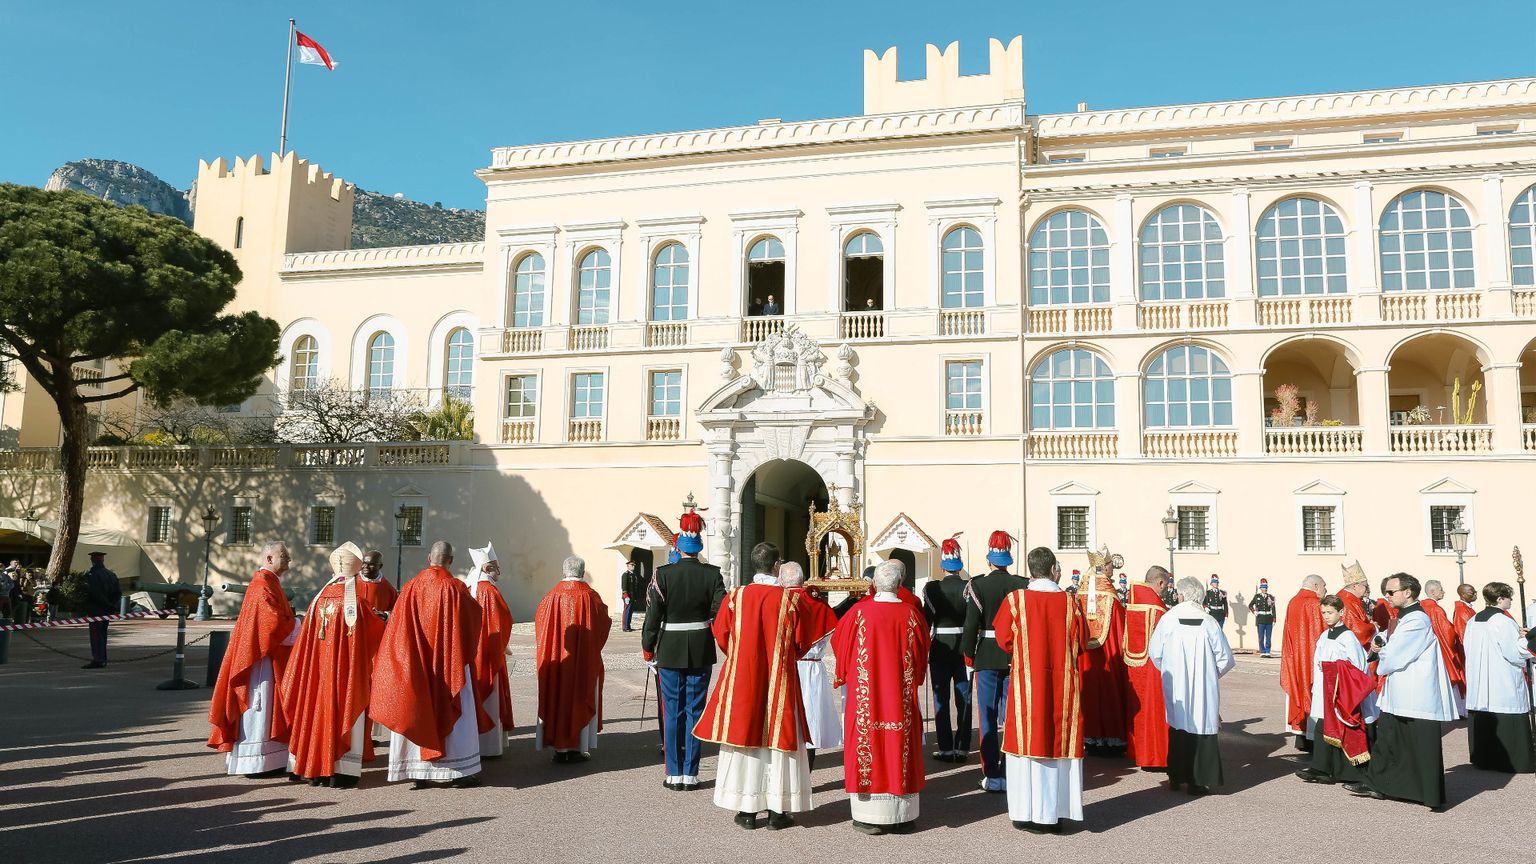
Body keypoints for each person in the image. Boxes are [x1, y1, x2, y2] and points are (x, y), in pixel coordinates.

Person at [696, 541, 831, 831]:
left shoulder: (736, 596)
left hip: (744, 678)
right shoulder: (789, 601)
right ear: (776, 566)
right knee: (778, 742)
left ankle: (746, 810)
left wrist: (742, 657)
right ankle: (777, 811)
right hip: (780, 679)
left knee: (745, 734)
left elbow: (721, 634)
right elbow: (801, 643)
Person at [371, 541, 485, 789]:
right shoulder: (456, 588)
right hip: (449, 664)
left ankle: (417, 771)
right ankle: (458, 771)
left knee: (415, 705)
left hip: (417, 663)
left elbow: (397, 629)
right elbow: (473, 621)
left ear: (428, 558)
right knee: (458, 711)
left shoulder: (410, 587)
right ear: (450, 561)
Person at [993, 547, 1087, 833]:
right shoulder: (1071, 602)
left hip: (1026, 684)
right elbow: (1083, 642)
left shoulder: (1016, 600)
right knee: (1057, 743)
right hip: (1062, 684)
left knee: (1025, 746)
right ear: (1054, 570)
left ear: (1030, 570)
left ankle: (1024, 812)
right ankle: (1054, 814)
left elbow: (1003, 639)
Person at [832, 559, 929, 835]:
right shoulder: (911, 615)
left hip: (866, 698)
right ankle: (902, 816)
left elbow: (840, 644)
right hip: (899, 698)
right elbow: (922, 652)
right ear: (899, 585)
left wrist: (845, 673)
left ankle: (869, 816)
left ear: (874, 584)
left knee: (867, 743)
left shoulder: (858, 613)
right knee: (900, 743)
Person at [279, 542, 387, 788]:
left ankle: (313, 768)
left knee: (314, 712)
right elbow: (373, 634)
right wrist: (386, 620)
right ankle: (341, 771)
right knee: (344, 710)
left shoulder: (318, 599)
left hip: (317, 673)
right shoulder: (354, 603)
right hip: (344, 674)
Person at [1345, 573, 1456, 808]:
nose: (1387, 595)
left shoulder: (1417, 620)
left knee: (1416, 742)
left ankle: (1424, 792)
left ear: (1408, 592)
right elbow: (1388, 641)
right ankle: (1380, 784)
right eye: (1386, 591)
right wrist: (1379, 643)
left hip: (1415, 691)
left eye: (1391, 591)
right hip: (1400, 690)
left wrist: (1383, 652)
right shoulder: (1403, 618)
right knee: (1391, 738)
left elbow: (1396, 654)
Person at [642, 503, 727, 792]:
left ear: (679, 545)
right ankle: (691, 773)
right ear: (699, 546)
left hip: (669, 648)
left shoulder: (663, 574)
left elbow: (652, 617)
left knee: (672, 710)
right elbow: (720, 612)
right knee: (695, 710)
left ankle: (674, 773)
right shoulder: (713, 574)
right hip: (701, 647)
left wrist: (648, 648)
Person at [208, 542, 298, 777]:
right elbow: (271, 623)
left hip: (267, 653)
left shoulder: (270, 582)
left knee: (268, 706)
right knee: (260, 704)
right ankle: (255, 762)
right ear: (269, 558)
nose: (289, 560)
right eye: (284, 556)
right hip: (260, 658)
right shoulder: (262, 584)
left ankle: (270, 760)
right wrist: (299, 624)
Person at [1148, 576, 1235, 795]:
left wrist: (1170, 672)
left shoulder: (1168, 619)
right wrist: (1209, 675)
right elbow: (1225, 658)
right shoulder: (1209, 622)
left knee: (1178, 725)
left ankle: (1176, 776)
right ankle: (1199, 781)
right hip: (1204, 687)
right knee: (1202, 723)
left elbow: (1155, 653)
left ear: (1182, 595)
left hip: (1176, 685)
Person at [961, 530, 1029, 792]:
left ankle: (992, 773)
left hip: (987, 654)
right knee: (1013, 717)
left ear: (989, 559)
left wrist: (969, 655)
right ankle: (1010, 770)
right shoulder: (1022, 584)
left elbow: (971, 626)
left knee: (987, 717)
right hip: (1014, 654)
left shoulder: (978, 585)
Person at [534, 555, 611, 763]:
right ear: (582, 572)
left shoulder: (550, 596)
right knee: (580, 696)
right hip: (584, 661)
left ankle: (559, 749)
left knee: (558, 695)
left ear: (563, 572)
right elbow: (603, 623)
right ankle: (578, 746)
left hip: (557, 659)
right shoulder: (590, 596)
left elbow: (541, 626)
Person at [1295, 594, 1377, 785]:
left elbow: (1357, 666)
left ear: (1341, 612)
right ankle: (1321, 768)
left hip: (1342, 693)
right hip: (1325, 691)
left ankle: (1350, 773)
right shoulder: (1324, 636)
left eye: (1330, 612)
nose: (1326, 616)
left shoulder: (1348, 638)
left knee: (1344, 730)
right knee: (1322, 727)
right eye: (1323, 612)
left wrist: (1333, 668)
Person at [1462, 581, 1535, 773]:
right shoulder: (1503, 621)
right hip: (1502, 678)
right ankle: (1513, 761)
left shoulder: (1473, 620)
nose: (1511, 601)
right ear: (1500, 598)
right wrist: (1528, 641)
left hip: (1480, 678)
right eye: (1509, 597)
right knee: (1505, 705)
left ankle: (1484, 759)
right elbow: (1514, 653)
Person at [780, 562, 840, 767]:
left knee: (784, 718)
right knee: (811, 720)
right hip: (812, 668)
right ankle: (807, 771)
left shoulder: (778, 601)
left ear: (781, 580)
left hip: (784, 667)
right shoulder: (819, 604)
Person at [923, 534, 972, 763]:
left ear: (943, 566)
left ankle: (945, 747)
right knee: (964, 699)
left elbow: (927, 620)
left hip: (940, 649)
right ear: (959, 565)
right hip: (964, 647)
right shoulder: (969, 587)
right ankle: (962, 747)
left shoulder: (932, 588)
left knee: (940, 698)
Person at [464, 543, 514, 758]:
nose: (498, 572)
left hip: (471, 652)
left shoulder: (468, 588)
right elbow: (502, 622)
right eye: (496, 567)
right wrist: (502, 645)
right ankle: (490, 746)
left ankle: (473, 743)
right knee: (491, 696)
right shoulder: (490, 591)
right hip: (489, 651)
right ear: (486, 568)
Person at [1078, 554, 1129, 756]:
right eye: (1110, 566)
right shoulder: (1109, 594)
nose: (1112, 570)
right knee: (1109, 690)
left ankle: (1091, 739)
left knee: (1089, 691)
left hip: (1086, 654)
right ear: (1104, 568)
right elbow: (1120, 624)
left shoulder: (1081, 592)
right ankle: (1112, 739)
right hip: (1109, 653)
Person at [1124, 565, 1170, 771]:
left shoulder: (1133, 602)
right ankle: (1155, 756)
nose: (1166, 590)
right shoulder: (1159, 610)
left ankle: (1139, 753)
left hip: (1134, 667)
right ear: (1160, 583)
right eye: (1165, 585)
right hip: (1154, 668)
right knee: (1155, 711)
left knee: (1139, 713)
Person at [1279, 574, 1327, 751]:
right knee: (1314, 696)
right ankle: (1313, 740)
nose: (1325, 590)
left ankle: (1301, 739)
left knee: (1298, 691)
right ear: (1316, 586)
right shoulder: (1315, 604)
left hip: (1295, 658)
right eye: (1324, 586)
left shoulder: (1293, 601)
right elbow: (1324, 631)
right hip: (1312, 659)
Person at [1420, 580, 1465, 718]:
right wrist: (1455, 635)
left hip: (1425, 650)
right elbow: (1448, 632)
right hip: (1442, 649)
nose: (1443, 592)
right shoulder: (1436, 609)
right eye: (1440, 589)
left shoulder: (1421, 607)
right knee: (1450, 677)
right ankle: (1456, 710)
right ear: (1432, 592)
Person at [81, 551, 121, 669]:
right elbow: (118, 593)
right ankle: (102, 658)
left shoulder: (92, 575)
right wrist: (112, 606)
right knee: (103, 635)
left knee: (96, 636)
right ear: (103, 560)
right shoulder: (111, 574)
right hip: (107, 611)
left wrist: (106, 604)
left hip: (96, 610)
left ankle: (98, 659)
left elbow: (95, 593)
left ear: (93, 560)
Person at [1337, 562, 1375, 651]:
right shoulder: (1346, 602)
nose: (1367, 589)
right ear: (1355, 586)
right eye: (1365, 586)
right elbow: (1358, 631)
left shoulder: (1349, 598)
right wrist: (1373, 627)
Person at [358, 550, 398, 618]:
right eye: (364, 563)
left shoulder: (388, 589)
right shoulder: (351, 583)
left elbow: (397, 612)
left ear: (380, 566)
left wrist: (385, 615)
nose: (366, 566)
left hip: (376, 624)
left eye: (371, 564)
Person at [1248, 579, 1277, 657]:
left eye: (1266, 587)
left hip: (1269, 618)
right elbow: (1250, 605)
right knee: (1261, 637)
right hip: (1260, 618)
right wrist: (1254, 611)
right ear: (1260, 588)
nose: (1265, 589)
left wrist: (1274, 619)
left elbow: (1273, 609)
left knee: (1268, 637)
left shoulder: (1271, 597)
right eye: (1263, 587)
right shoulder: (1257, 596)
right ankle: (1262, 651)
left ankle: (1267, 651)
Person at [620, 560, 639, 632]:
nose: (633, 566)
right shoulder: (625, 575)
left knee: (630, 612)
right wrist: (626, 596)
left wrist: (635, 597)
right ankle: (625, 627)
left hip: (632, 596)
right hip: (627, 596)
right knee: (626, 611)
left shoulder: (634, 575)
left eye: (634, 565)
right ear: (628, 566)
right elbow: (624, 586)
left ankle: (628, 626)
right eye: (632, 565)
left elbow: (635, 587)